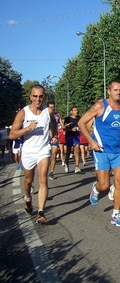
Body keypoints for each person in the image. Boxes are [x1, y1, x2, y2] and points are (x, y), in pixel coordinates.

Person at [78, 80, 120, 227]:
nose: (119, 92)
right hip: (101, 150)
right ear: (109, 91)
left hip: (118, 151)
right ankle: (96, 189)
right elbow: (81, 123)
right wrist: (91, 141)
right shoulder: (100, 106)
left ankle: (115, 214)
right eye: (115, 90)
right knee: (104, 185)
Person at [9, 84, 57, 224]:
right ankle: (28, 198)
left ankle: (40, 212)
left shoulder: (48, 111)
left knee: (43, 180)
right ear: (30, 97)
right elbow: (12, 134)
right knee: (28, 181)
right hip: (28, 151)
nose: (38, 99)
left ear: (44, 97)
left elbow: (53, 124)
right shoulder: (24, 113)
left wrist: (53, 134)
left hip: (43, 149)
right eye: (35, 96)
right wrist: (27, 129)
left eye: (41, 96)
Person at [47, 102, 65, 180]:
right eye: (50, 107)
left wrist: (65, 126)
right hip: (46, 138)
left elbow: (62, 125)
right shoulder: (44, 114)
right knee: (46, 156)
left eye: (53, 107)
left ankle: (51, 172)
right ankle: (44, 170)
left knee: (53, 155)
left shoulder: (57, 115)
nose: (52, 108)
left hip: (55, 137)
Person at [64, 106, 81, 173]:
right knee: (69, 150)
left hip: (76, 135)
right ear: (71, 111)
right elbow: (64, 128)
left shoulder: (79, 118)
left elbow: (81, 125)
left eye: (77, 110)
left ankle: (77, 167)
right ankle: (66, 163)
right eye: (74, 110)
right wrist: (70, 129)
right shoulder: (67, 118)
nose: (76, 112)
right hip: (69, 135)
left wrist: (80, 129)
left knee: (77, 150)